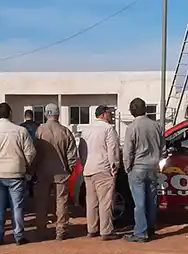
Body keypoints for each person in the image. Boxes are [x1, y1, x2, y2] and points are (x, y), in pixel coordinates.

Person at [0, 102, 36, 245]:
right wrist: (24, 164)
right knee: (17, 206)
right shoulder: (21, 131)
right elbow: (31, 152)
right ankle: (18, 236)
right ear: (10, 114)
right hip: (16, 173)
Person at [123, 98, 165, 243]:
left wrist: (128, 167)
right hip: (153, 167)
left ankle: (141, 232)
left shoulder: (132, 127)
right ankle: (151, 228)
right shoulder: (157, 126)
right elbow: (163, 149)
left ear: (132, 110)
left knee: (139, 202)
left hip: (138, 167)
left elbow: (128, 151)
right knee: (152, 200)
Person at [34, 103, 78, 240]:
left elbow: (34, 152)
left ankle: (41, 229)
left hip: (43, 171)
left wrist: (34, 169)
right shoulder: (65, 131)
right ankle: (61, 230)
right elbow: (72, 154)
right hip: (61, 171)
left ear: (46, 114)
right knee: (62, 201)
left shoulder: (40, 131)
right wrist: (69, 169)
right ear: (57, 114)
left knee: (42, 201)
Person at [81, 105, 121, 241]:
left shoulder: (86, 130)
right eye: (109, 113)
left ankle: (91, 229)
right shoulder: (109, 129)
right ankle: (106, 230)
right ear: (104, 114)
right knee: (105, 201)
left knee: (91, 202)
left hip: (88, 169)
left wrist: (84, 165)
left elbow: (82, 151)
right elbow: (113, 150)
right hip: (103, 169)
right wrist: (114, 168)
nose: (110, 115)